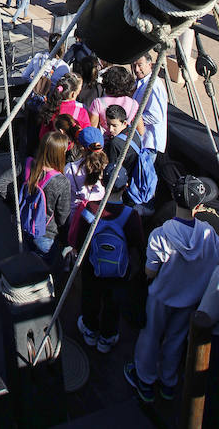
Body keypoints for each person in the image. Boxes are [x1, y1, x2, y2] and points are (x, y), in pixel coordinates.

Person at [125, 175, 219, 403]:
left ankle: (145, 380)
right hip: (189, 299)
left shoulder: (162, 234)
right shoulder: (209, 235)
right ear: (199, 205)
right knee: (177, 339)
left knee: (151, 336)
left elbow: (150, 272)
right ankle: (169, 382)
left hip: (161, 297)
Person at [76, 164, 144, 353]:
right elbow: (138, 243)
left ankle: (89, 330)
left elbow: (81, 238)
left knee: (90, 297)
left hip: (93, 266)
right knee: (113, 303)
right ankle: (107, 337)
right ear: (126, 186)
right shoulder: (131, 216)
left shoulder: (91, 209)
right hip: (119, 270)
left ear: (104, 183)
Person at [0, 131, 71, 270]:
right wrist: (66, 240)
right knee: (48, 272)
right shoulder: (61, 182)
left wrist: (14, 209)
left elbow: (1, 183)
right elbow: (63, 217)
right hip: (47, 234)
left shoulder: (27, 164)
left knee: (29, 267)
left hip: (25, 226)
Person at [89, 65, 144, 138]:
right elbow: (140, 131)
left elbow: (92, 130)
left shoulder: (98, 103)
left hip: (106, 144)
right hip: (124, 143)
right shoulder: (133, 104)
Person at [64, 125, 107, 218]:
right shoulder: (108, 169)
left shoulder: (70, 169)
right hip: (101, 217)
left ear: (82, 148)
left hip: (76, 217)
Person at [132, 53, 168, 161]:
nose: (137, 70)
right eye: (134, 66)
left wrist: (134, 120)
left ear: (149, 65)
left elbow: (155, 116)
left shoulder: (154, 86)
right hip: (141, 140)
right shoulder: (141, 82)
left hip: (149, 143)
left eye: (140, 65)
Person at [39, 72, 90, 139]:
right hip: (72, 147)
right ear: (73, 94)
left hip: (53, 146)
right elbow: (87, 134)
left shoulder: (51, 107)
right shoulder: (81, 112)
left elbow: (42, 135)